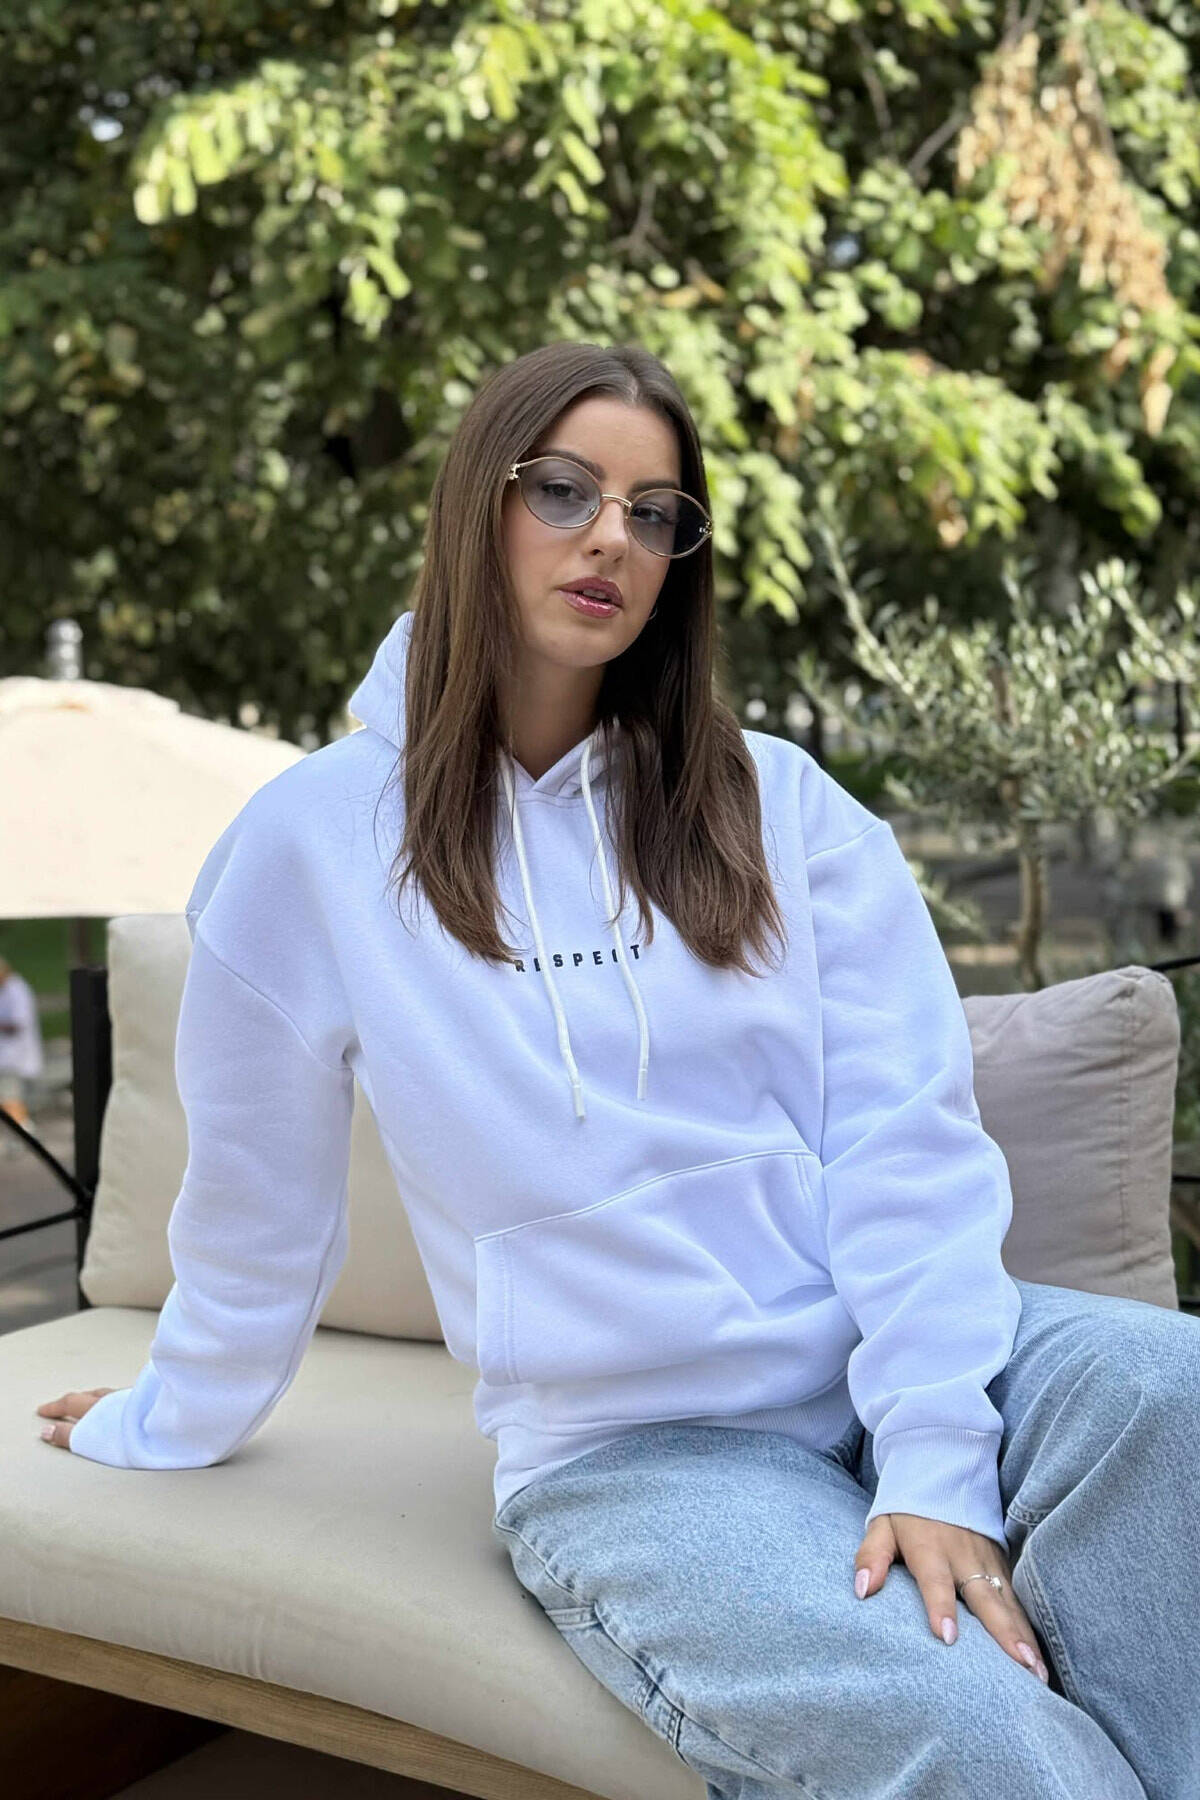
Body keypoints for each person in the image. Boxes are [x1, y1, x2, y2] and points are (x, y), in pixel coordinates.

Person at [36, 342, 1198, 1797]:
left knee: (1174, 1390)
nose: (612, 540)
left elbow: (905, 1144)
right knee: (979, 1745)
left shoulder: (781, 805)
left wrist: (935, 1456)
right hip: (639, 1456)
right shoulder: (309, 844)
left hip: (898, 1357)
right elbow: (256, 1211)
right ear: (478, 504)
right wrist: (161, 1418)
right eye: (565, 492)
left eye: (655, 515)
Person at [0, 954, 44, 1137]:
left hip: (14, 1057)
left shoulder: (16, 990)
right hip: (8, 1056)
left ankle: (23, 1130)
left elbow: (19, 1023)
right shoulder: (5, 989)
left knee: (10, 1097)